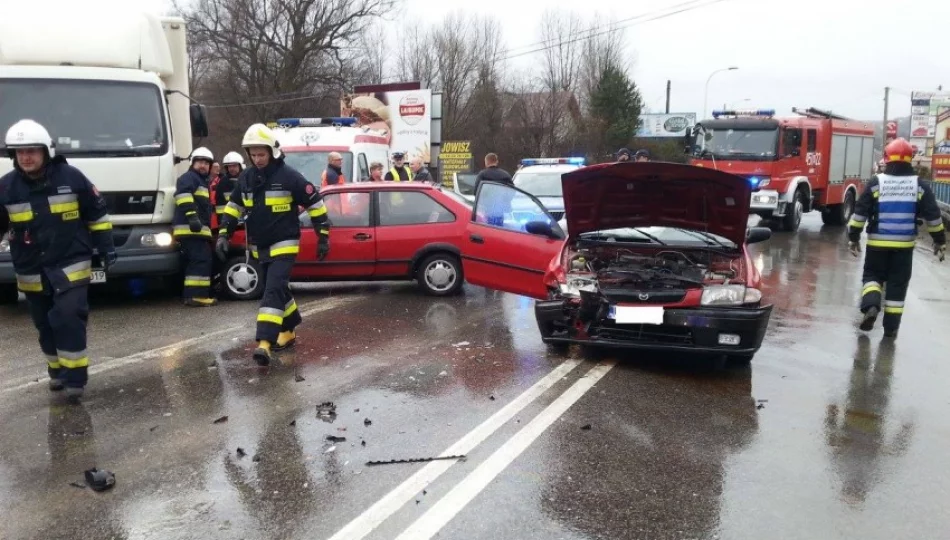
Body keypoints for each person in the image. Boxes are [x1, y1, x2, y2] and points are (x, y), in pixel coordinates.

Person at [0, 119, 116, 403]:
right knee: (44, 323)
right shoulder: (6, 187)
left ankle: (75, 379)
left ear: (46, 151)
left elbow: (97, 216)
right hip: (31, 269)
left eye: (32, 151)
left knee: (67, 316)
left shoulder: (71, 178)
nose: (26, 157)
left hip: (70, 263)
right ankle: (57, 370)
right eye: (20, 152)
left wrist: (106, 249)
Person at [216, 123, 331, 365]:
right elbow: (233, 208)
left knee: (271, 290)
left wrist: (323, 235)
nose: (257, 159)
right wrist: (224, 234)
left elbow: (316, 204)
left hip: (286, 242)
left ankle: (265, 343)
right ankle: (289, 330)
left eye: (262, 154)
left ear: (272, 151)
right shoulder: (246, 179)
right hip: (261, 245)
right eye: (254, 154)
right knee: (277, 288)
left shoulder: (289, 177)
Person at [848, 137, 946, 339]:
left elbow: (860, 213)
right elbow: (933, 216)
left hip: (877, 245)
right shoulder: (919, 185)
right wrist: (939, 240)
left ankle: (871, 306)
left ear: (887, 159)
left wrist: (854, 236)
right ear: (910, 159)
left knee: (872, 278)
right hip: (904, 248)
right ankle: (891, 330)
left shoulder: (877, 183)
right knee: (897, 286)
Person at [173, 147, 217, 307]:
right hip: (190, 229)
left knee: (199, 260)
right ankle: (196, 296)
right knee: (200, 260)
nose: (203, 165)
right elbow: (182, 195)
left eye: (206, 163)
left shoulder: (201, 181)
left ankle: (194, 295)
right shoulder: (189, 178)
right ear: (193, 163)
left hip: (196, 230)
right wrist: (192, 216)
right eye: (199, 162)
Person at [211, 151, 244, 232]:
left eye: (234, 166)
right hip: (229, 223)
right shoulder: (223, 183)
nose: (232, 169)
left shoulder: (247, 179)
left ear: (240, 166)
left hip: (246, 224)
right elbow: (220, 207)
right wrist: (223, 225)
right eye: (229, 166)